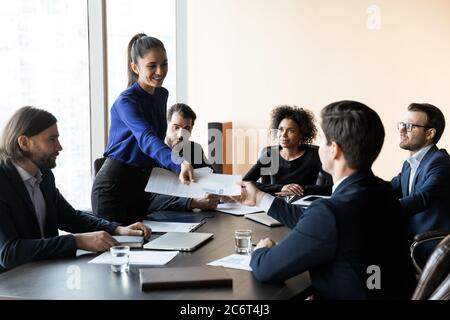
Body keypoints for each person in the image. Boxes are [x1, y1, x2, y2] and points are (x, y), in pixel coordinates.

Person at [239, 101, 414, 299]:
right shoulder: (384, 191)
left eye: (322, 140)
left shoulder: (330, 213)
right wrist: (261, 197)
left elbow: (265, 270)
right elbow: (314, 222)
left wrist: (261, 251)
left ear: (334, 150)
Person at [0, 107, 151, 273]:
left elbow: (69, 217)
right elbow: (9, 253)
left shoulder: (44, 175)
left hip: (42, 273)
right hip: (10, 284)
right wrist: (77, 241)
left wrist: (117, 229)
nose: (59, 147)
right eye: (52, 139)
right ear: (24, 143)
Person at [91, 33, 194, 225]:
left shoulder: (161, 94)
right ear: (135, 68)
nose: (160, 71)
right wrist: (178, 163)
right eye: (152, 65)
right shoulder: (126, 101)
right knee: (120, 251)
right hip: (113, 188)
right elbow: (147, 139)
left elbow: (156, 142)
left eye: (164, 64)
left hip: (141, 186)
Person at [391, 103, 450, 264]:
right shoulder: (409, 165)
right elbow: (387, 189)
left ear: (430, 133)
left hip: (431, 250)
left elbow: (422, 197)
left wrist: (385, 208)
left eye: (409, 126)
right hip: (410, 244)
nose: (402, 130)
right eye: (402, 124)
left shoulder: (440, 162)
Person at [243, 105, 332, 198]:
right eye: (281, 129)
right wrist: (280, 188)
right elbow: (245, 183)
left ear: (301, 134)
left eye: (291, 131)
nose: (283, 135)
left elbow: (333, 187)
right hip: (273, 205)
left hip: (302, 206)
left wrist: (302, 189)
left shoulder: (315, 156)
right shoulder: (270, 154)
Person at [147, 103, 220, 214]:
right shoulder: (152, 151)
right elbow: (149, 201)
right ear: (166, 125)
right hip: (162, 218)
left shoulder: (194, 149)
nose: (181, 134)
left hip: (197, 215)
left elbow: (213, 180)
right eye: (176, 127)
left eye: (187, 128)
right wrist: (192, 202)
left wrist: (223, 193)